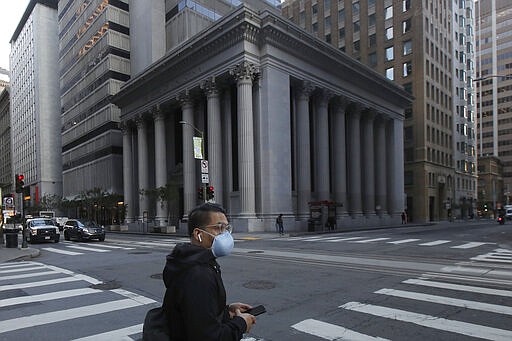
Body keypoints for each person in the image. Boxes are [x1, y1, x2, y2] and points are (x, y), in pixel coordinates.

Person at [162, 203, 256, 340]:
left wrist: (226, 311)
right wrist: (241, 324)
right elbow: (208, 336)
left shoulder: (192, 262)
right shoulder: (197, 274)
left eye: (227, 228)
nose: (225, 234)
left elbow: (196, 313)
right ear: (198, 234)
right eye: (219, 228)